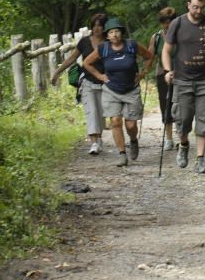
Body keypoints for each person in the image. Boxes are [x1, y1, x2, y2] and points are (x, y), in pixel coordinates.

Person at [162, 0, 205, 174]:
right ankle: (183, 145)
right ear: (188, 5)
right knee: (182, 119)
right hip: (182, 80)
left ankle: (200, 159)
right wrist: (167, 71)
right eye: (195, 7)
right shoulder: (178, 23)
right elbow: (166, 50)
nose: (198, 11)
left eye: (201, 7)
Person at [82, 17, 154, 167]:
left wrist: (143, 72)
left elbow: (149, 56)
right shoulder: (104, 48)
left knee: (131, 125)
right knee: (115, 121)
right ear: (107, 35)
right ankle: (122, 154)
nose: (114, 35)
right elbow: (87, 63)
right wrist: (100, 76)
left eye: (117, 31)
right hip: (111, 89)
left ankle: (133, 141)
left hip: (131, 89)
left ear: (122, 33)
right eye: (111, 32)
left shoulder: (131, 45)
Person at [51, 12, 107, 155]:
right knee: (91, 112)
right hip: (87, 81)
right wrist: (57, 72)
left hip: (105, 83)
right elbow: (72, 58)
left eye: (100, 26)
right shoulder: (84, 41)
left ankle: (99, 138)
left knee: (101, 113)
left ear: (104, 27)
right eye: (94, 26)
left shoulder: (109, 42)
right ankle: (93, 142)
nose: (97, 29)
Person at [148, 7, 178, 151]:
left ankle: (181, 135)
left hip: (181, 74)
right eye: (164, 22)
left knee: (179, 105)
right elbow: (150, 56)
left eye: (170, 21)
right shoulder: (157, 37)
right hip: (162, 74)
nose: (167, 25)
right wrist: (144, 72)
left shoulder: (181, 35)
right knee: (165, 105)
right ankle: (169, 138)